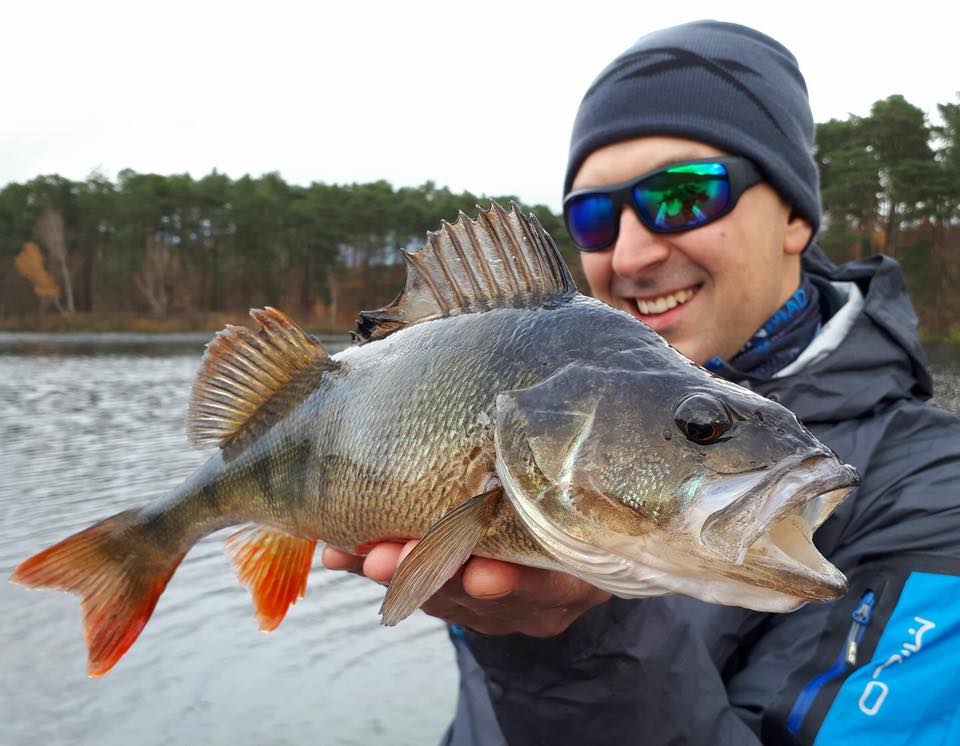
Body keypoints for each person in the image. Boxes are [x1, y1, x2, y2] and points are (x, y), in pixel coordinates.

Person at [323, 20, 960, 745]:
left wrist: (567, 640)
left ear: (793, 214)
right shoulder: (553, 406)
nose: (629, 253)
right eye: (593, 217)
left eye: (684, 196)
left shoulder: (942, 495)